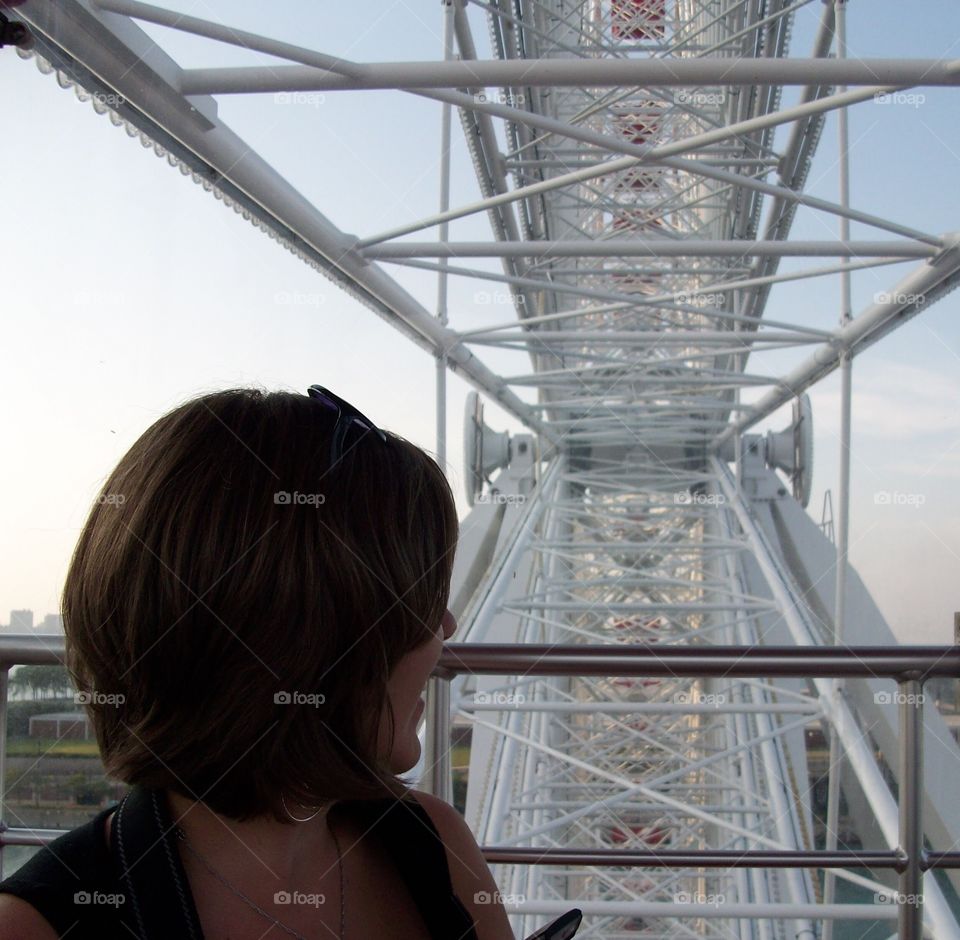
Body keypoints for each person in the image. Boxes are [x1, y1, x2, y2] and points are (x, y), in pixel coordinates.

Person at [0, 385, 515, 940]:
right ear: (307, 636)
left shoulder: (433, 839)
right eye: (419, 598)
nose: (446, 628)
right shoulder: (35, 926)